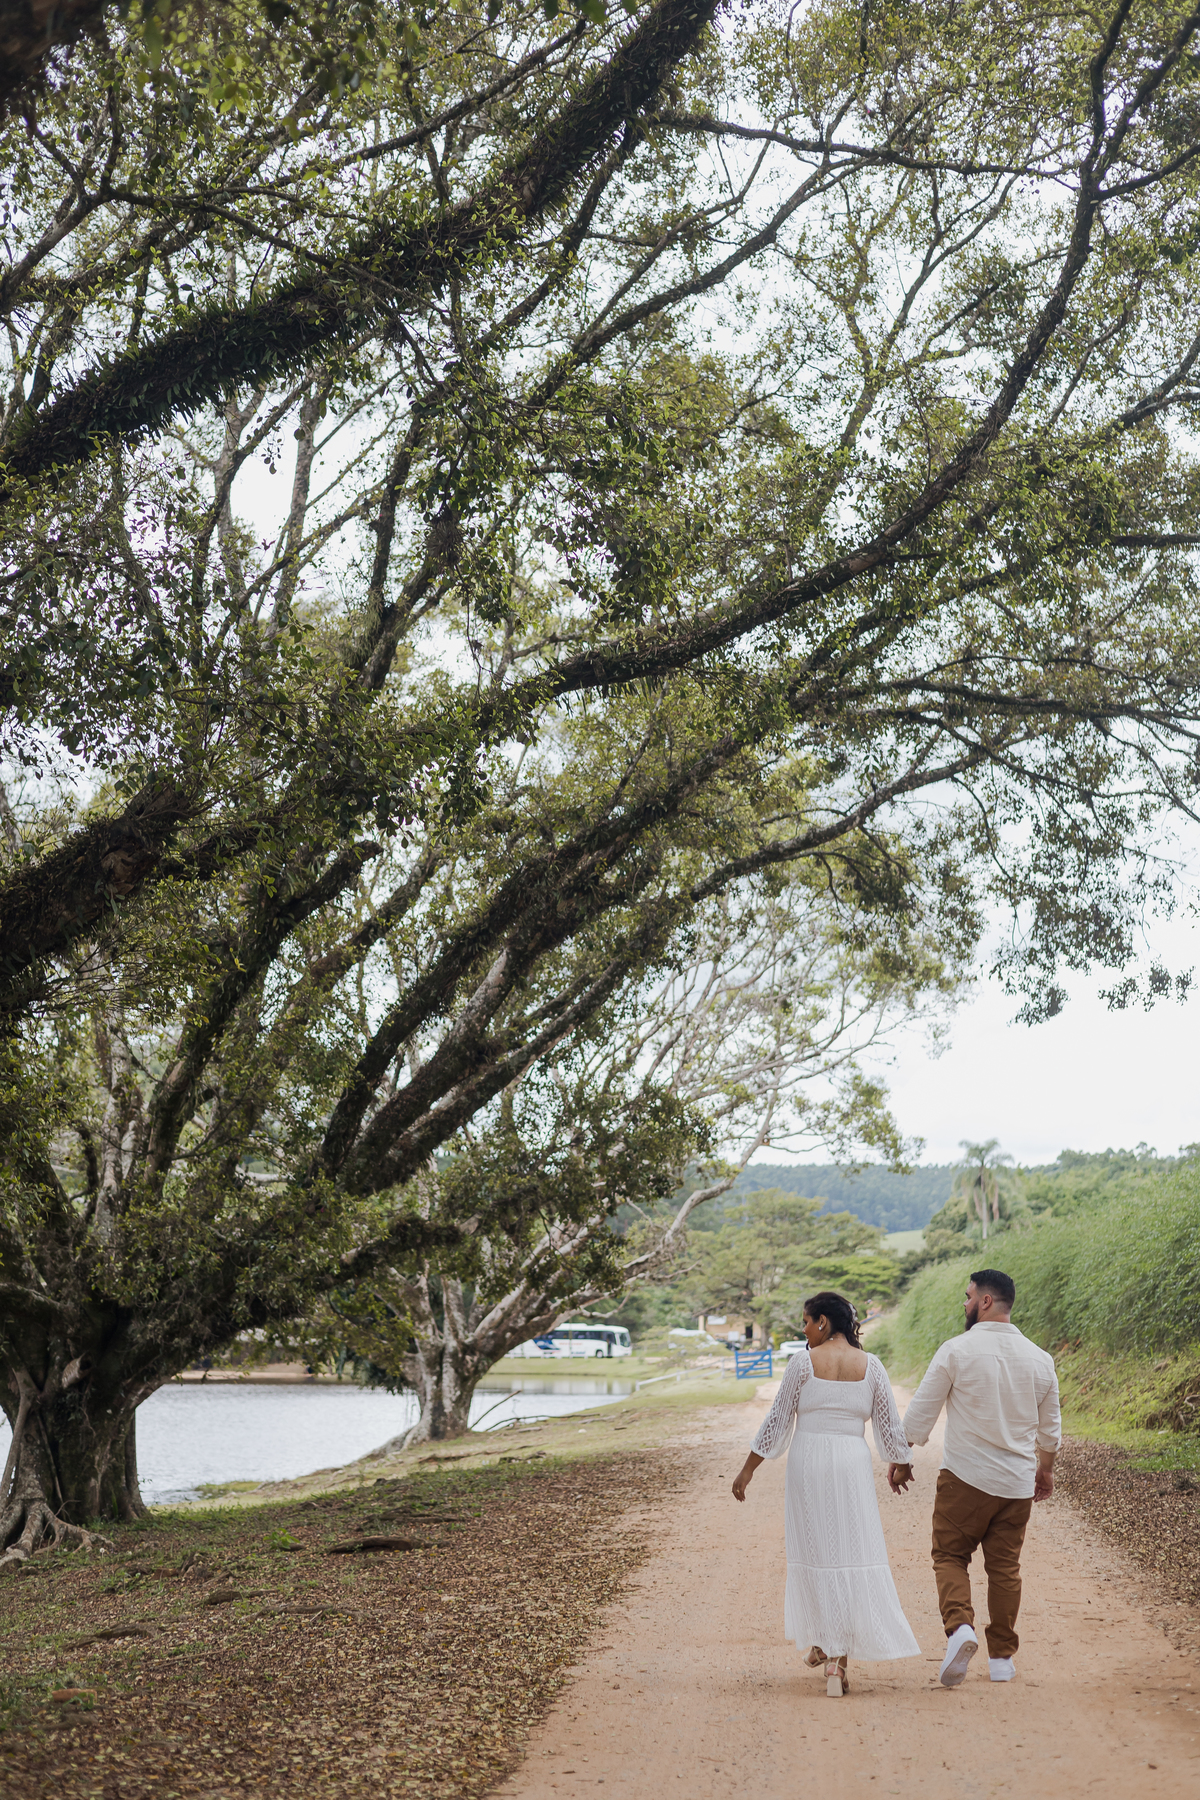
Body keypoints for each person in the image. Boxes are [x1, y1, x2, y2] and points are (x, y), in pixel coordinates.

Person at [731, 1291, 920, 1698]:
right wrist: (901, 1462)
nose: (803, 1330)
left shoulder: (802, 1363)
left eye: (805, 1321)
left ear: (822, 1322)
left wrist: (747, 1470)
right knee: (849, 1551)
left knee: (817, 1551)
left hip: (809, 1462)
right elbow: (889, 1424)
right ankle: (833, 1655)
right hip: (850, 1461)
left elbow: (778, 1419)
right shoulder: (872, 1366)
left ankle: (829, 1648)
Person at [890, 1267, 1061, 1689]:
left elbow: (920, 1414)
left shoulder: (956, 1350)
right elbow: (1050, 1429)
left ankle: (960, 1630)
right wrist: (1045, 1471)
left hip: (965, 1478)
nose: (964, 1304)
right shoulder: (1040, 1359)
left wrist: (903, 1457)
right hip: (1017, 1485)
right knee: (1005, 1569)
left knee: (949, 1557)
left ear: (985, 1301)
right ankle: (1002, 1660)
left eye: (968, 1296)